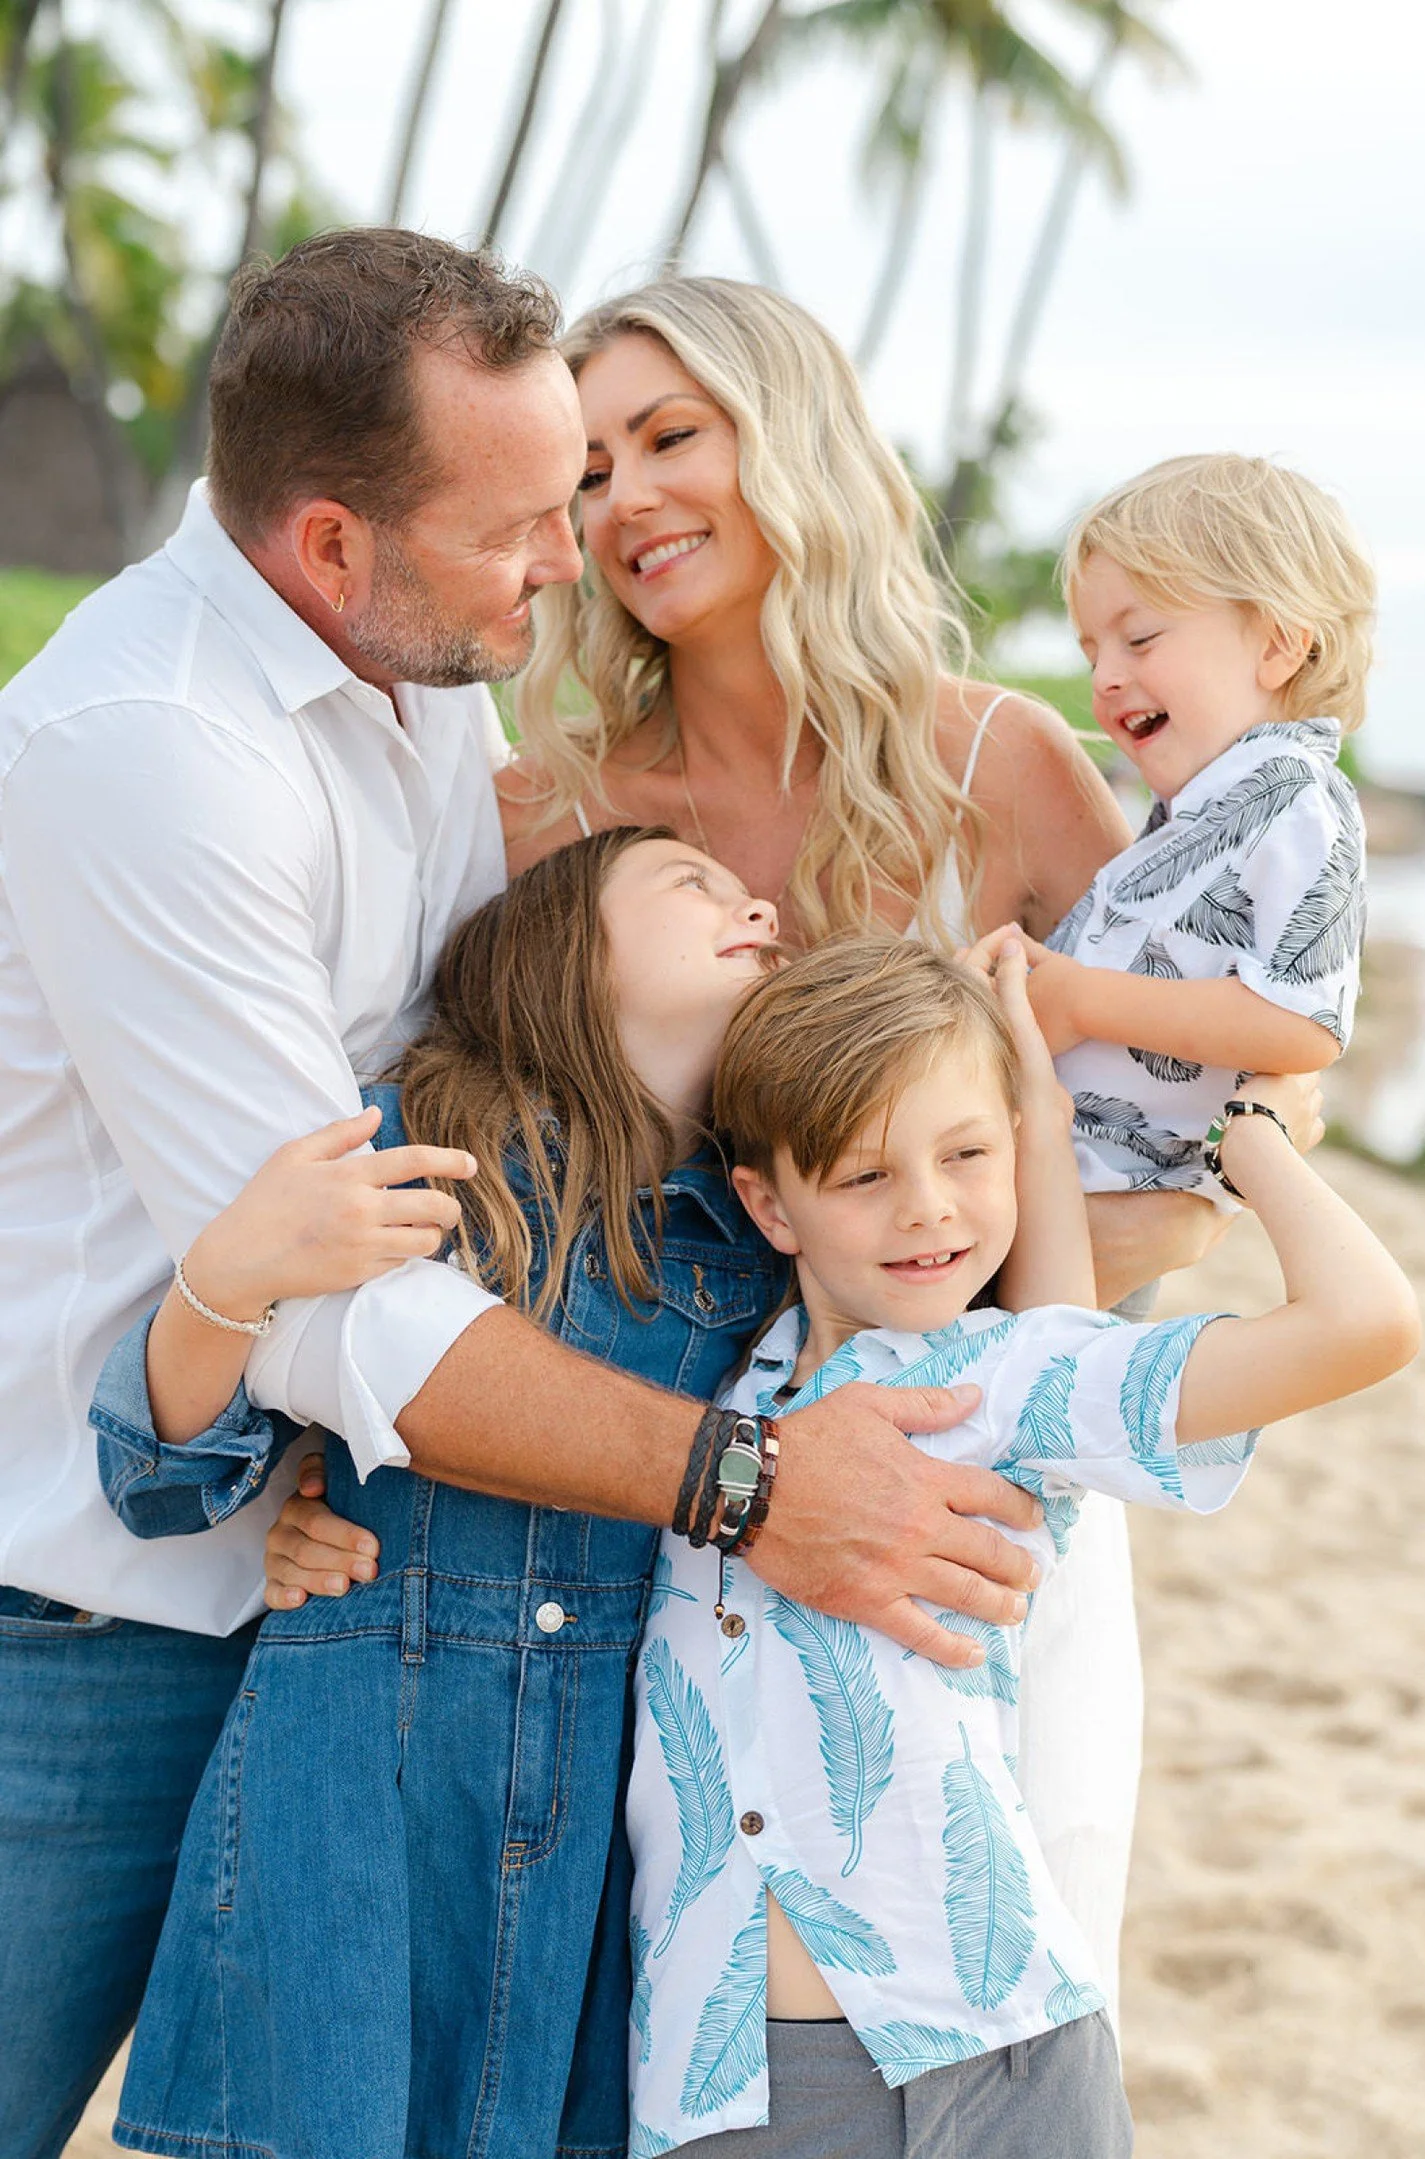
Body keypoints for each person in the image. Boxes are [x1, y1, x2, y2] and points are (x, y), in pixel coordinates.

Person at [0, 236, 1033, 2159]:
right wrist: (752, 1482)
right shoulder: (152, 747)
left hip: (336, 1567)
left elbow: (492, 1081)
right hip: (82, 1598)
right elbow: (333, 1289)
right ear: (333, 545)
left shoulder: (416, 681)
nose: (573, 555)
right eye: (523, 521)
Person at [276, 277, 1230, 2002]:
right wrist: (309, 1451)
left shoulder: (1000, 762)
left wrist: (969, 1314)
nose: (627, 496)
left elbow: (1200, 1147)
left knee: (1023, 2009)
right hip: (662, 1535)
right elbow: (433, 1161)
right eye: (589, 469)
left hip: (976, 1502)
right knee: (714, 2042)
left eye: (671, 435)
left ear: (786, 440)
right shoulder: (544, 812)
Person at [89, 834, 1063, 2159]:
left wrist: (1032, 1091)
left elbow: (1033, 1333)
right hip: (366, 1800)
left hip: (597, 1863)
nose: (753, 900)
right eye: (692, 881)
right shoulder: (418, 1157)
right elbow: (157, 1473)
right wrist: (237, 1289)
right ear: (559, 946)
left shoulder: (771, 1252)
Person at [625, 936, 1418, 2159]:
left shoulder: (999, 1378)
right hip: (721, 2086)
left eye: (967, 1155)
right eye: (866, 1173)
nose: (928, 1205)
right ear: (770, 1205)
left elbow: (1365, 1322)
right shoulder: (703, 1399)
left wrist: (1249, 1134)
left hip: (998, 2055)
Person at [970, 453, 1372, 1201]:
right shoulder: (1203, 808)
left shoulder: (1296, 798)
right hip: (1055, 1168)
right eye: (1092, 652)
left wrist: (1082, 999)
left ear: (1278, 645)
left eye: (1141, 638)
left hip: (1105, 1193)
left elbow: (1304, 1023)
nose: (1103, 678)